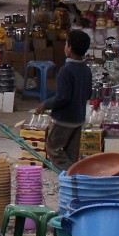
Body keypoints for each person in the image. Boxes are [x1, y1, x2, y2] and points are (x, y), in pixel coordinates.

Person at [35, 29, 93, 171]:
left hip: (64, 119)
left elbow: (63, 97)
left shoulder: (66, 70)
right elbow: (88, 94)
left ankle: (72, 175)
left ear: (69, 48)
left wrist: (45, 104)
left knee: (53, 148)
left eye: (66, 44)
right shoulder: (86, 69)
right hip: (78, 118)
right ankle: (71, 187)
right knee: (71, 153)